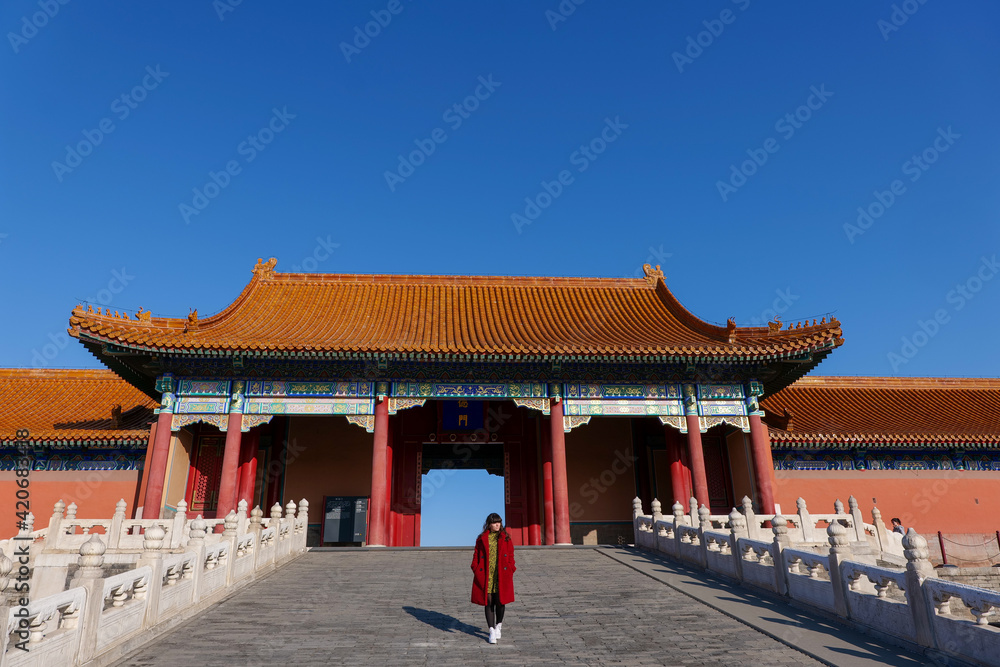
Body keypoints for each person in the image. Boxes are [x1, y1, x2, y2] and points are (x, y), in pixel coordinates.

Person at [471, 512, 516, 644]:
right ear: (489, 524)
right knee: (489, 602)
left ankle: (498, 626)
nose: (498, 525)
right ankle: (491, 630)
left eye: (499, 522)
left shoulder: (506, 538)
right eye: (495, 522)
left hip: (501, 573)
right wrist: (475, 568)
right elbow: (476, 555)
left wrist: (511, 568)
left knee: (500, 601)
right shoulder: (481, 539)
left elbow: (511, 555)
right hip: (486, 573)